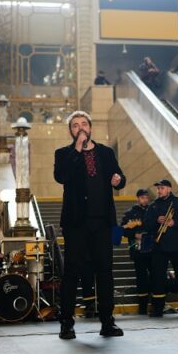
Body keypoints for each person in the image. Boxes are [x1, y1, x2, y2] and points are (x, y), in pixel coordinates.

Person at [53, 110, 126, 339]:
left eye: (84, 123)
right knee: (72, 272)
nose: (81, 128)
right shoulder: (63, 154)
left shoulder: (105, 152)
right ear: (71, 131)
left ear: (91, 127)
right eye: (75, 125)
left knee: (105, 272)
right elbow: (62, 176)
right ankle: (66, 323)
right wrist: (77, 149)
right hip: (76, 224)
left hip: (102, 222)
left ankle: (107, 322)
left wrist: (118, 180)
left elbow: (119, 177)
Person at [142, 179, 178, 317]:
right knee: (158, 278)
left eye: (162, 188)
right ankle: (158, 310)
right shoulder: (153, 206)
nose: (159, 191)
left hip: (177, 246)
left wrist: (174, 222)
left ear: (169, 189)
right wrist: (156, 221)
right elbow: (146, 225)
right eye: (158, 188)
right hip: (159, 248)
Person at [120, 188, 154, 314]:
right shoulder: (130, 213)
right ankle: (143, 307)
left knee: (155, 276)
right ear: (138, 198)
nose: (145, 200)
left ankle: (157, 304)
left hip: (153, 249)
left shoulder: (153, 210)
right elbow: (122, 230)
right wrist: (134, 235)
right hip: (138, 249)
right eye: (142, 197)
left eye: (147, 197)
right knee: (141, 278)